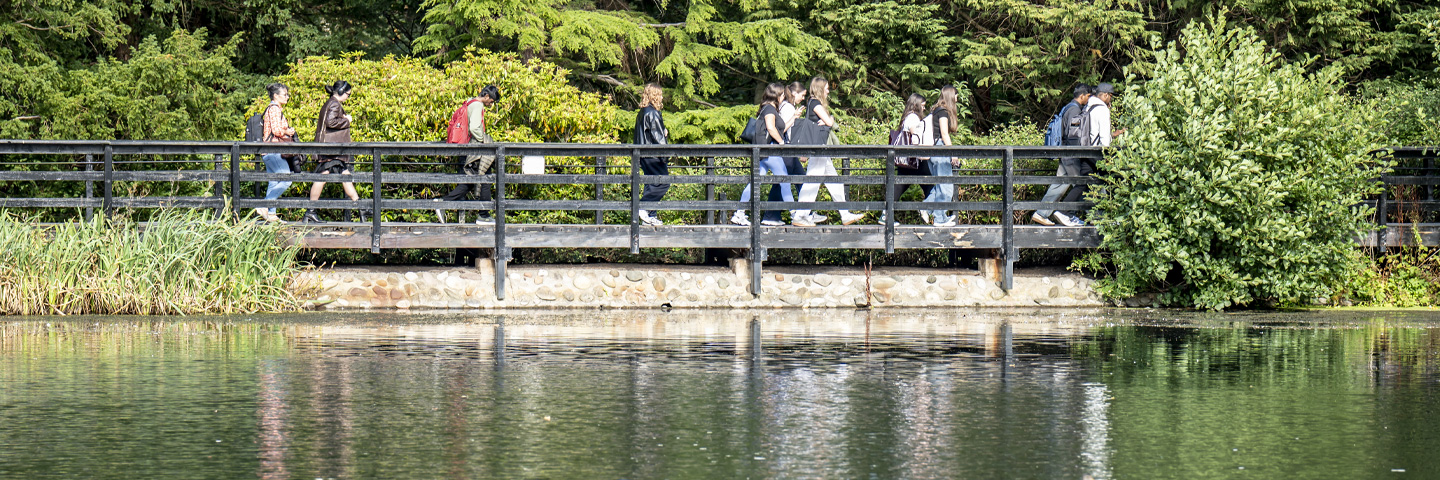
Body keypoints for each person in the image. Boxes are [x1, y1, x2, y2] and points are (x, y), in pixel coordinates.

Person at [793, 76, 865, 226]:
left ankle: (844, 214)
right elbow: (829, 122)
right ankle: (800, 215)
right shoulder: (815, 102)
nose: (828, 90)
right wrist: (829, 119)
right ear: (820, 89)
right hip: (818, 148)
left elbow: (827, 121)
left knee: (834, 181)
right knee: (812, 182)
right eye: (826, 88)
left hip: (821, 149)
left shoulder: (813, 102)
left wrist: (828, 120)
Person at [1053, 82, 1125, 226]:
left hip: (1085, 150)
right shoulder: (1102, 110)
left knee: (1084, 182)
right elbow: (1103, 137)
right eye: (1110, 96)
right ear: (1105, 95)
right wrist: (1108, 156)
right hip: (1096, 153)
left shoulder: (1088, 107)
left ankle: (1072, 213)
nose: (1111, 99)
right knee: (1110, 181)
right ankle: (1107, 218)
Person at [731, 83, 800, 226]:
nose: (783, 97)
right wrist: (782, 143)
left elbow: (774, 128)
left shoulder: (766, 108)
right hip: (770, 151)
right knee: (785, 181)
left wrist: (792, 118)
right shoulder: (769, 109)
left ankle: (739, 213)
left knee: (754, 183)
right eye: (782, 95)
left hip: (764, 152)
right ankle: (795, 215)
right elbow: (771, 128)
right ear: (777, 96)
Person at [301, 80, 365, 223]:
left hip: (330, 148)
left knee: (343, 174)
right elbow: (331, 122)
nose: (348, 97)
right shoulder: (335, 104)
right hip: (331, 149)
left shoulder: (330, 103)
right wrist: (347, 120)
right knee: (323, 176)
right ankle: (311, 211)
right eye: (348, 94)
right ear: (341, 92)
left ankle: (360, 206)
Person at [437, 85, 501, 225]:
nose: (491, 104)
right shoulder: (478, 105)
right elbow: (474, 127)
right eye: (492, 101)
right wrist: (484, 140)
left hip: (464, 148)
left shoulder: (469, 102)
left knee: (470, 181)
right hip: (474, 148)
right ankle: (483, 216)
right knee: (486, 178)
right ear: (486, 96)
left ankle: (442, 203)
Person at [1032, 83, 1091, 226]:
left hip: (1065, 154)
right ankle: (1090, 216)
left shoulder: (1068, 108)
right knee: (1083, 184)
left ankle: (1042, 213)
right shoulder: (1075, 110)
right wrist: (1080, 153)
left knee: (1060, 185)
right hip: (1071, 155)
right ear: (1082, 96)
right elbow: (1073, 135)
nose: (1089, 100)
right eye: (1088, 96)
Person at [880, 93, 932, 225]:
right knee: (930, 184)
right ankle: (936, 214)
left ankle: (885, 215)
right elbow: (916, 135)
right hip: (914, 159)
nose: (924, 109)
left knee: (900, 185)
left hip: (907, 160)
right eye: (923, 106)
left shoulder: (907, 117)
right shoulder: (914, 118)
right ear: (917, 105)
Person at [767, 82, 809, 226]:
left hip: (788, 149)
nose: (803, 98)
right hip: (786, 149)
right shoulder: (788, 107)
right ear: (795, 93)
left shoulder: (786, 106)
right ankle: (771, 215)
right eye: (802, 95)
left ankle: (806, 212)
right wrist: (795, 117)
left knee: (799, 180)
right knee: (783, 183)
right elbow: (783, 129)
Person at [921, 85, 961, 227]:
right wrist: (953, 154)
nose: (957, 98)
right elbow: (944, 134)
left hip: (933, 151)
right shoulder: (943, 112)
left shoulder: (935, 110)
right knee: (946, 186)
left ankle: (926, 208)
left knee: (939, 185)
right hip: (940, 149)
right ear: (951, 96)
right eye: (956, 95)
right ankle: (939, 219)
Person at [256, 83, 295, 224]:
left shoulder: (273, 109)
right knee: (286, 179)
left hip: (269, 151)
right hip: (273, 150)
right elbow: (277, 131)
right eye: (285, 94)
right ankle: (265, 205)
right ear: (276, 96)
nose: (287, 97)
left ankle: (271, 214)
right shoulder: (274, 109)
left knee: (274, 182)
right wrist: (288, 131)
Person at [633, 83, 669, 226]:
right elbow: (658, 138)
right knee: (663, 182)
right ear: (655, 95)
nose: (661, 97)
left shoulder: (642, 112)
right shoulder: (653, 113)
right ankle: (644, 207)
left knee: (651, 184)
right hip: (652, 155)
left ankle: (650, 215)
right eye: (659, 94)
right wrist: (665, 156)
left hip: (642, 155)